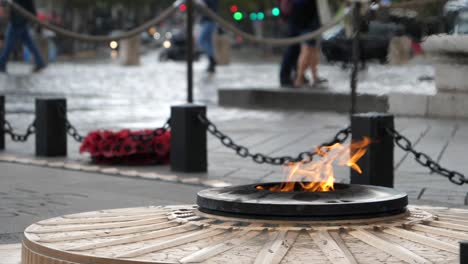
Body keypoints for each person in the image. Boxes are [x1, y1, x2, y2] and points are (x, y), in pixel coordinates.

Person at [0, 0, 46, 73]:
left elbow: (31, 10)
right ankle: (40, 62)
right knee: (29, 43)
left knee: (8, 45)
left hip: (17, 23)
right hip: (20, 22)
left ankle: (1, 64)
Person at [292, 0, 327, 88]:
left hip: (310, 19)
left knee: (313, 49)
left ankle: (314, 77)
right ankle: (299, 78)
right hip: (306, 20)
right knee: (307, 49)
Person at [197, 0, 218, 73]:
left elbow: (210, 5)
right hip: (208, 20)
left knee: (201, 40)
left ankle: (212, 59)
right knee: (208, 42)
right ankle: (211, 63)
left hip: (210, 20)